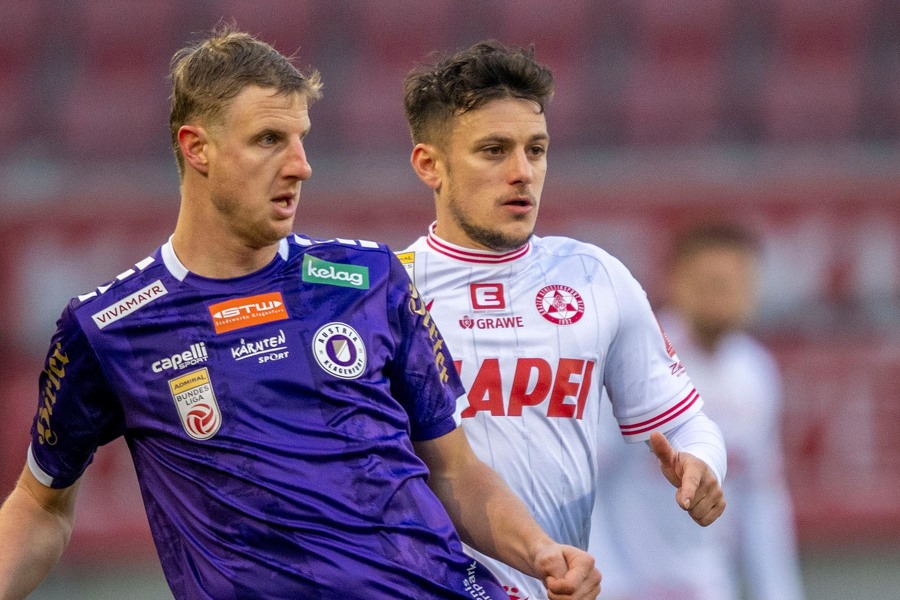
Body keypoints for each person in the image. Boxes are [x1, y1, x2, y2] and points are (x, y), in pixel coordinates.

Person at [0, 26, 601, 600]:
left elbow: (455, 471)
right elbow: (40, 505)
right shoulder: (112, 328)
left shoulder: (370, 278)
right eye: (269, 140)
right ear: (197, 147)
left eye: (301, 139)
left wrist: (541, 553)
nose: (300, 165)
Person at [398, 40, 727, 600]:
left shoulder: (595, 277)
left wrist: (703, 460)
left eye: (536, 149)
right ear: (430, 164)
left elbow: (686, 423)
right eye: (494, 151)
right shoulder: (389, 292)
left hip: (563, 586)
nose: (522, 173)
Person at [589, 223, 806, 600]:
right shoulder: (637, 357)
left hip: (709, 586)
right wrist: (605, 582)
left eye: (734, 284)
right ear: (676, 281)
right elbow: (588, 479)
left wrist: (778, 592)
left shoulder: (756, 372)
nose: (722, 297)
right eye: (710, 283)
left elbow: (760, 499)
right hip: (629, 585)